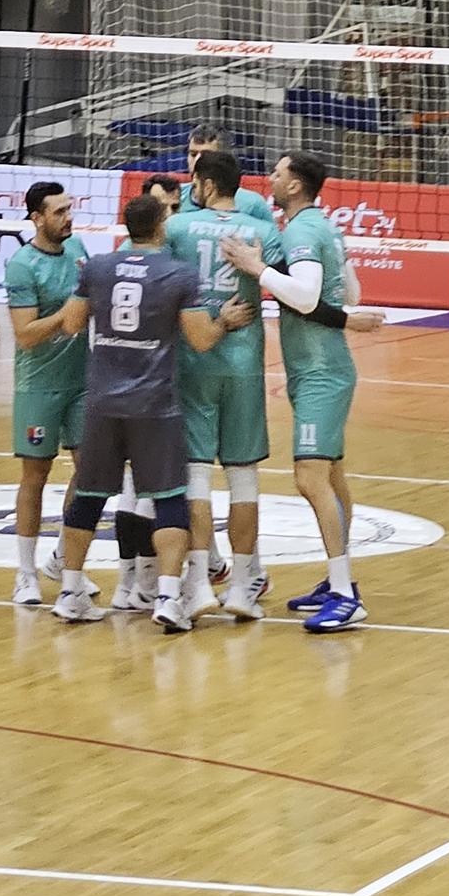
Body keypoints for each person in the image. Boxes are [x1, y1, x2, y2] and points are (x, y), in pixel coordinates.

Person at [221, 150, 386, 634]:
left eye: (277, 173)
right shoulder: (324, 227)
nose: (270, 178)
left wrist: (257, 268)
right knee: (331, 476)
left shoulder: (301, 232)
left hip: (320, 373)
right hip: (319, 367)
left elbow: (310, 297)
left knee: (309, 478)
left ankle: (345, 595)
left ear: (295, 185)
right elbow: (350, 294)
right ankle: (337, 581)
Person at [48, 193, 223, 631]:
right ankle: (167, 597)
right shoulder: (179, 273)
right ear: (162, 225)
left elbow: (71, 324)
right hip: (154, 404)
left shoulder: (98, 268)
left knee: (89, 497)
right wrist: (226, 322)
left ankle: (70, 593)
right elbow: (201, 340)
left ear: (127, 227)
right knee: (168, 499)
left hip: (102, 402)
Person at [165, 149, 285, 621]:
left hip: (192, 359)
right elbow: (292, 285)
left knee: (195, 475)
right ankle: (241, 587)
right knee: (243, 477)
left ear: (207, 185)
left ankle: (197, 585)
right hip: (243, 364)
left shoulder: (177, 228)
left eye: (195, 182)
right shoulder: (261, 231)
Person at [3, 180, 89, 607]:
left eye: (69, 209)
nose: (68, 217)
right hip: (39, 385)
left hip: (82, 381)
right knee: (35, 475)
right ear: (37, 218)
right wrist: (66, 315)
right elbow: (25, 335)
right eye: (59, 212)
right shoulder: (22, 265)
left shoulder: (79, 251)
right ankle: (25, 573)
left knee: (91, 472)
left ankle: (62, 558)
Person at [179, 123, 275, 222]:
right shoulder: (175, 196)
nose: (197, 161)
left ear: (223, 157)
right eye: (193, 154)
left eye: (206, 155)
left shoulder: (252, 204)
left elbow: (269, 231)